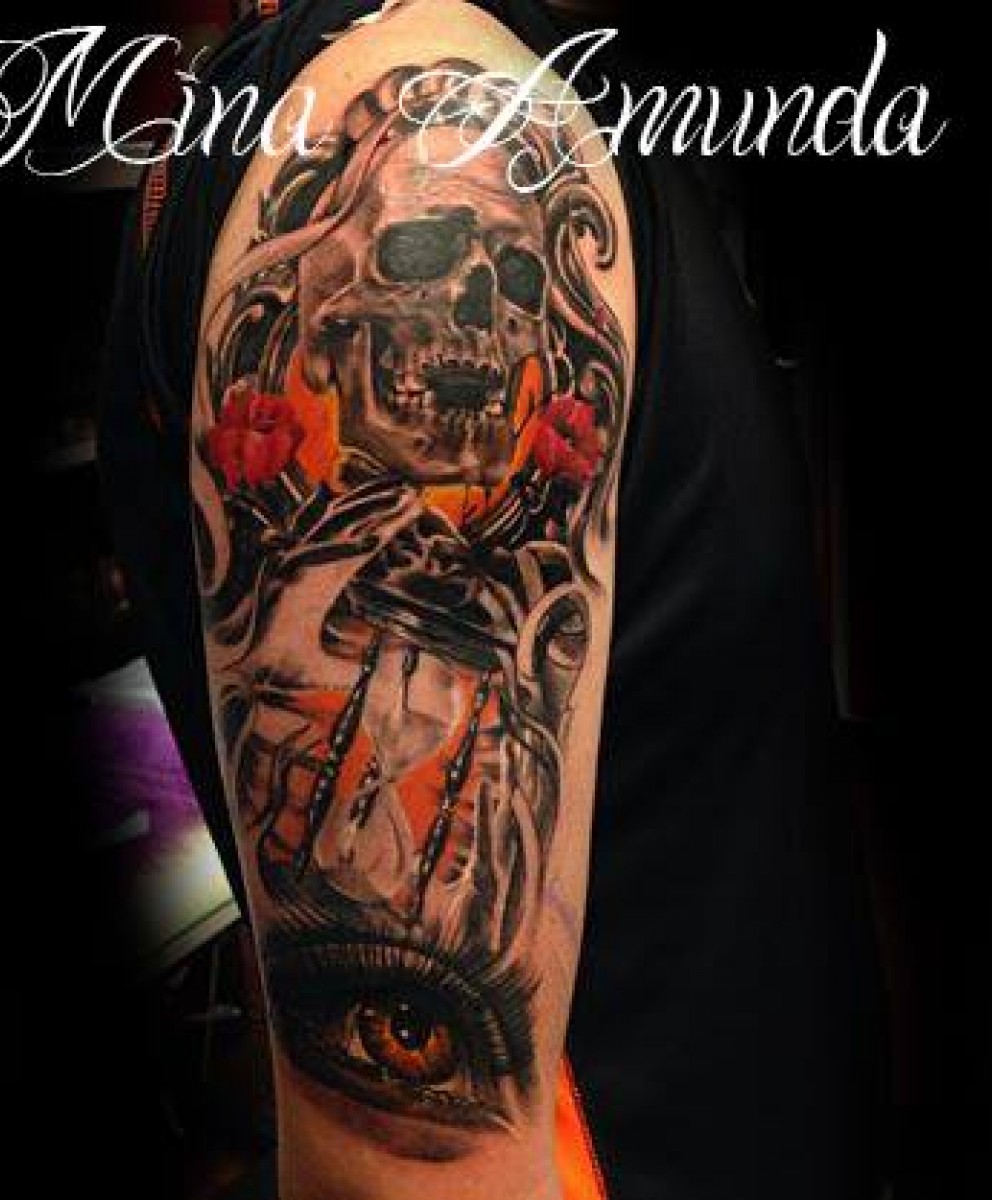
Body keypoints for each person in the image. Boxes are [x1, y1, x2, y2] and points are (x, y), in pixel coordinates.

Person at [98, 2, 887, 1197]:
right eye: (439, 267)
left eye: (511, 279)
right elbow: (406, 1163)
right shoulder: (430, 109)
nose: (476, 301)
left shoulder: (502, 87)